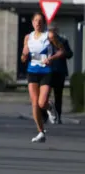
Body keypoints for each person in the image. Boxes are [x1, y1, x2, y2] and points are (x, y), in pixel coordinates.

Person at [21, 13, 66, 142]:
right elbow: (23, 57)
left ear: (43, 23)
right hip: (32, 71)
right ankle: (41, 132)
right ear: (32, 23)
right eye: (35, 20)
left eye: (40, 21)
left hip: (46, 71)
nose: (38, 23)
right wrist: (23, 56)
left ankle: (50, 107)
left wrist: (51, 58)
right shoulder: (27, 37)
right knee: (35, 103)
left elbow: (62, 51)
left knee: (42, 103)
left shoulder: (50, 35)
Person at [47, 23, 73, 124]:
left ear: (56, 31)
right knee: (45, 96)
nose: (52, 32)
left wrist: (63, 53)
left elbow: (70, 54)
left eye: (53, 30)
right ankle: (45, 116)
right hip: (47, 71)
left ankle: (58, 116)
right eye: (50, 30)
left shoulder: (63, 41)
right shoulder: (45, 41)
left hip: (59, 71)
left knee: (58, 96)